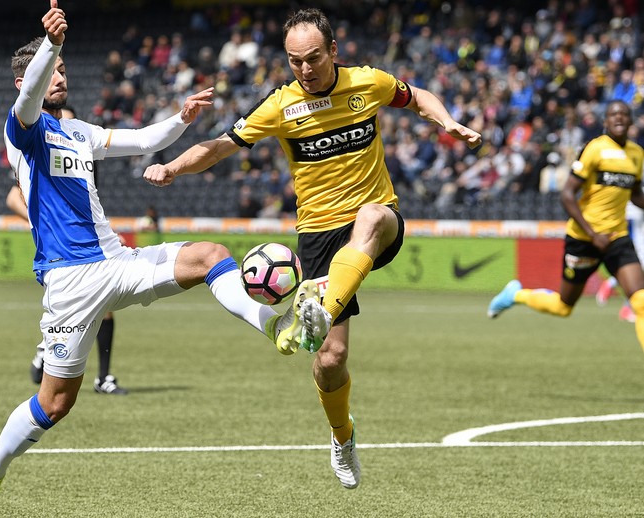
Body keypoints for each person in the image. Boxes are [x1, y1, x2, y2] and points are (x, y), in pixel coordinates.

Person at [0, 3, 312, 516]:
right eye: (53, 70)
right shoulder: (24, 128)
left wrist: (181, 118)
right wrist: (51, 45)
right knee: (54, 404)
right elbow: (31, 93)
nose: (61, 75)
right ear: (27, 80)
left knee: (212, 256)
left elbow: (145, 141)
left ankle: (278, 328)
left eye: (62, 68)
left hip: (118, 261)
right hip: (69, 282)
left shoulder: (79, 132)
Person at [143, 8, 481, 490]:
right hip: (319, 236)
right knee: (330, 360)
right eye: (295, 60)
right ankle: (342, 437)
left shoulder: (369, 82)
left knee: (370, 216)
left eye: (314, 58)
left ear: (334, 51)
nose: (305, 68)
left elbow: (416, 95)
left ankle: (309, 312)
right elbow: (220, 145)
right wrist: (173, 166)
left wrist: (448, 122)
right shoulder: (279, 105)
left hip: (376, 217)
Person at [488, 100, 644, 353]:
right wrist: (592, 234)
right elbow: (567, 195)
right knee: (563, 307)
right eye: (613, 114)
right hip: (584, 237)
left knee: (641, 301)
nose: (619, 118)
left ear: (630, 121)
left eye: (624, 114)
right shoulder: (595, 149)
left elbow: (635, 194)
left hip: (617, 237)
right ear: (606, 121)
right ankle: (515, 295)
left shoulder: (637, 154)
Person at [6, 106, 128, 394]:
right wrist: (40, 220)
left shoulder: (82, 152)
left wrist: (106, 236)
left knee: (104, 309)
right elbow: (13, 195)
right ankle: (48, 347)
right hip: (58, 250)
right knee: (85, 309)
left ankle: (103, 378)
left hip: (89, 249)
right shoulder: (38, 149)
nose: (67, 128)